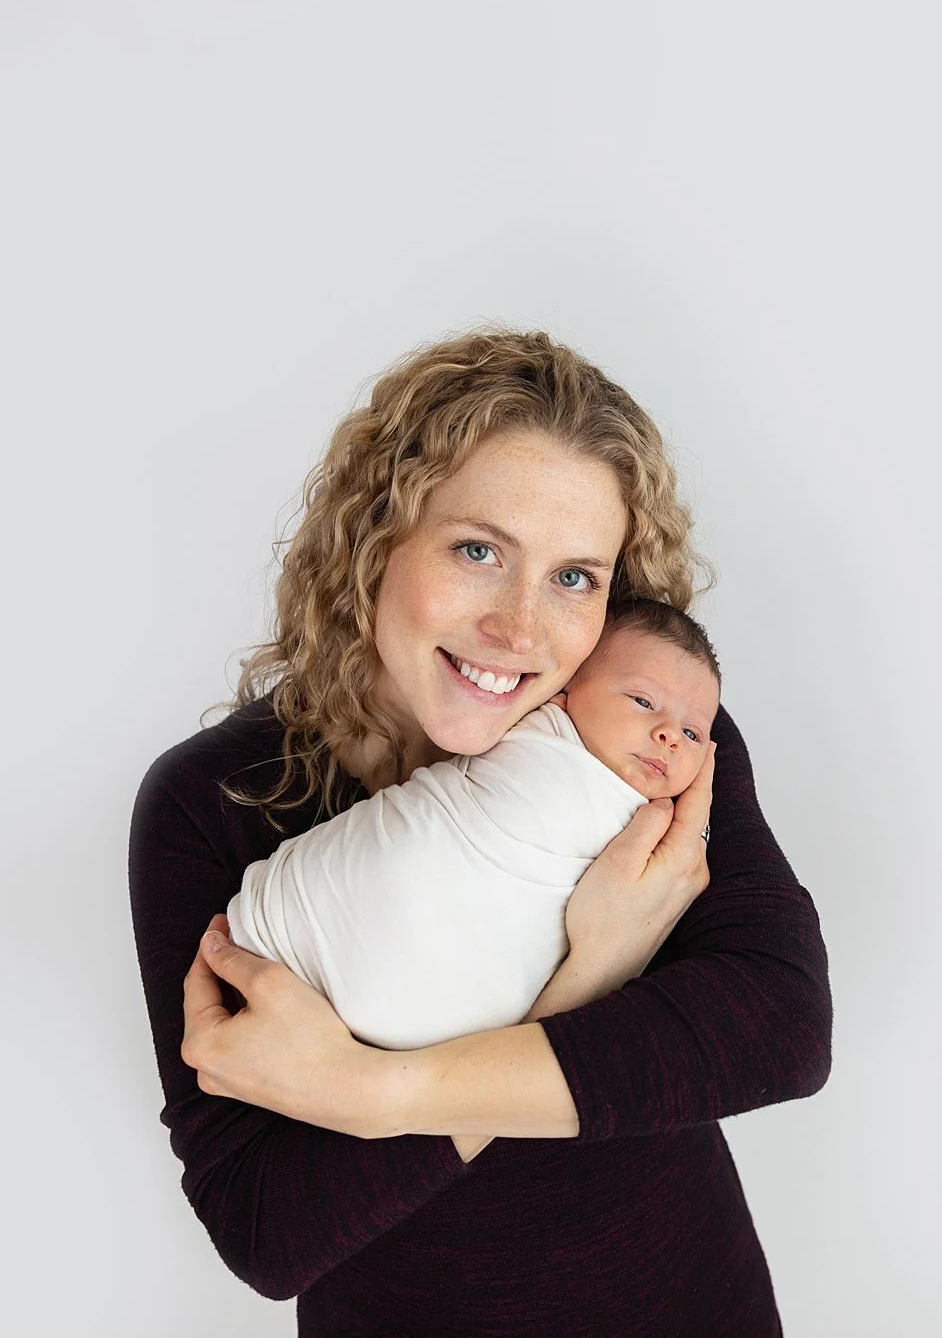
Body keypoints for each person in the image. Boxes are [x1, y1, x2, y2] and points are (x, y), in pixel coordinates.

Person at [127, 329, 831, 1335]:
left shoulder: (642, 737)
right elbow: (265, 1230)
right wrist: (588, 977)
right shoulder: (216, 801)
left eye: (574, 577)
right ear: (375, 536)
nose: (520, 628)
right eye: (478, 551)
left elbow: (782, 1028)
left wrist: (375, 1092)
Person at [225, 601, 722, 1051]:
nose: (670, 736)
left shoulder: (675, 826)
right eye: (642, 702)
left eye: (693, 732)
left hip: (433, 1036)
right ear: (565, 691)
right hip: (305, 917)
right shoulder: (536, 723)